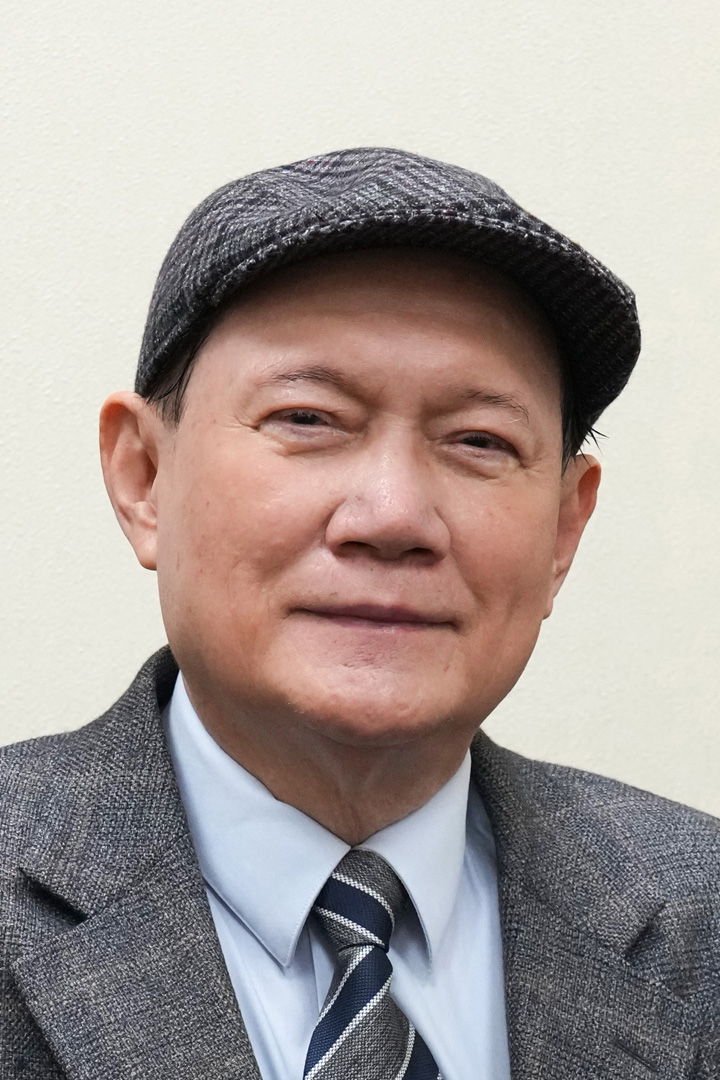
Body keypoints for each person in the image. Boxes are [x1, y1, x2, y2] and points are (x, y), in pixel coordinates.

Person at [1, 148, 718, 1080]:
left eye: (480, 440)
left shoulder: (699, 912)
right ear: (144, 477)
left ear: (562, 530)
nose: (393, 516)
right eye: (307, 418)